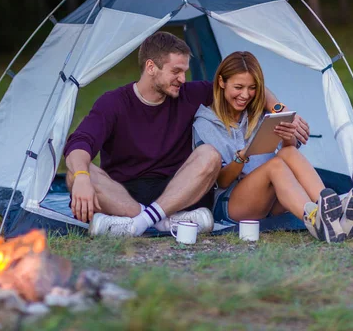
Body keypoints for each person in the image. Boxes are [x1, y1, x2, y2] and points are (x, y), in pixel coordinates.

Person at [63, 32, 310, 237]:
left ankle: (136, 223)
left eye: (185, 71)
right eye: (176, 71)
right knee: (76, 174)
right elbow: (79, 142)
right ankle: (157, 221)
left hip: (181, 192)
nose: (183, 78)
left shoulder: (188, 94)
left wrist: (282, 110)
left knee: (209, 154)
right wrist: (83, 176)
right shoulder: (113, 103)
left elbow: (247, 85)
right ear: (151, 67)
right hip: (126, 196)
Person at [192, 51, 353, 243]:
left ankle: (329, 211)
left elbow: (286, 156)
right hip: (232, 203)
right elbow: (221, 182)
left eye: (252, 88)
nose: (245, 95)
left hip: (272, 195)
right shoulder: (204, 124)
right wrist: (242, 156)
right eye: (238, 87)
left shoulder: (257, 113)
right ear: (221, 82)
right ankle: (317, 220)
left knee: (288, 151)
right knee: (275, 166)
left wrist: (288, 137)